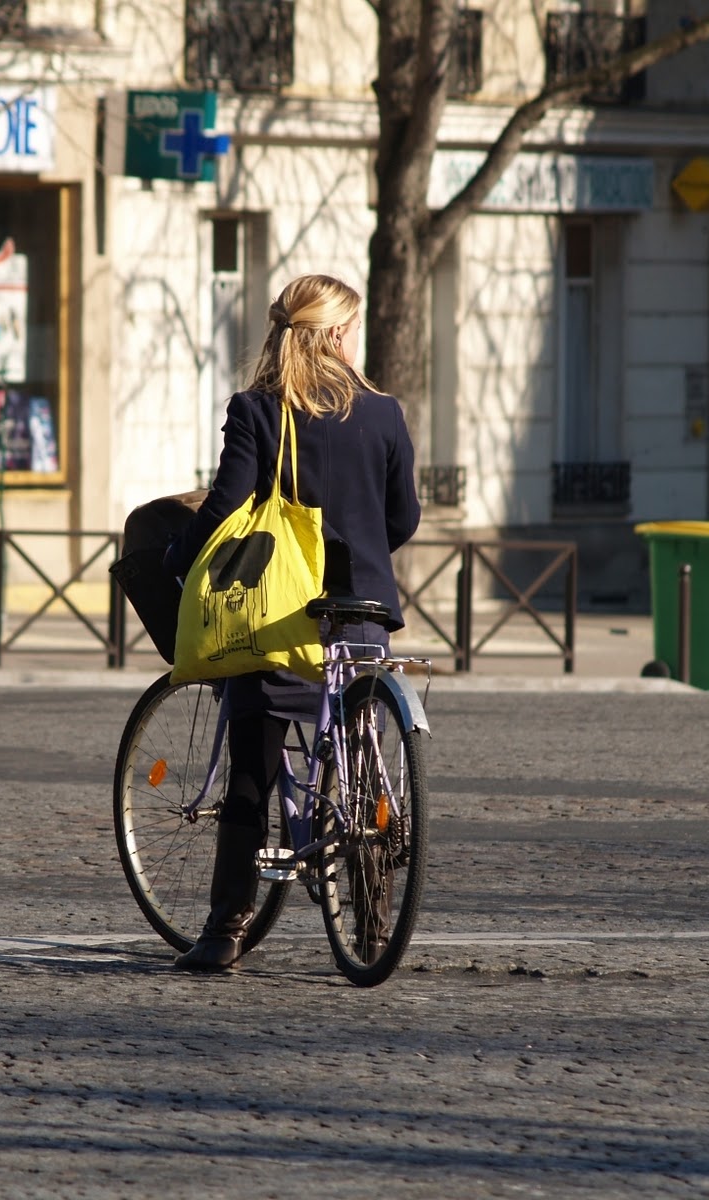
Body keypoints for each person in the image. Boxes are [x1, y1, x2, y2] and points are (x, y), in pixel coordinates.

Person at [162, 273, 421, 971]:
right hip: (362, 613)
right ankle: (371, 928)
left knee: (252, 766)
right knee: (362, 759)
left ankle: (224, 930)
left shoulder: (258, 410)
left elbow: (225, 507)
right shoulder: (385, 414)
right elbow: (405, 519)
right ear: (338, 335)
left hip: (280, 614)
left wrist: (177, 559)